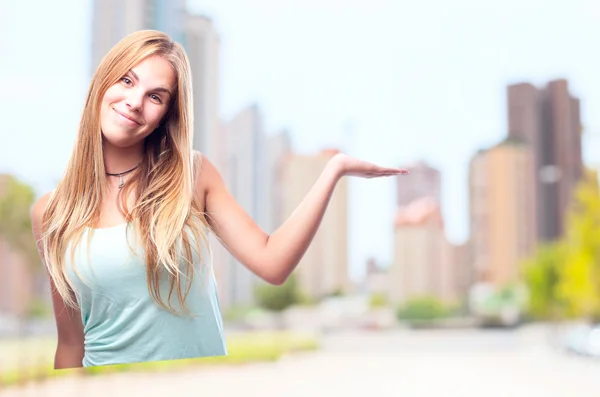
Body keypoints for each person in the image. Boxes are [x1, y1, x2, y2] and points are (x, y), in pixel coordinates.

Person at [30, 30, 409, 370]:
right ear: (102, 83)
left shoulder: (191, 178)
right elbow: (71, 345)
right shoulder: (51, 212)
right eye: (126, 80)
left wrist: (334, 170)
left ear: (165, 116)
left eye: (155, 96)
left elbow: (272, 263)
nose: (134, 101)